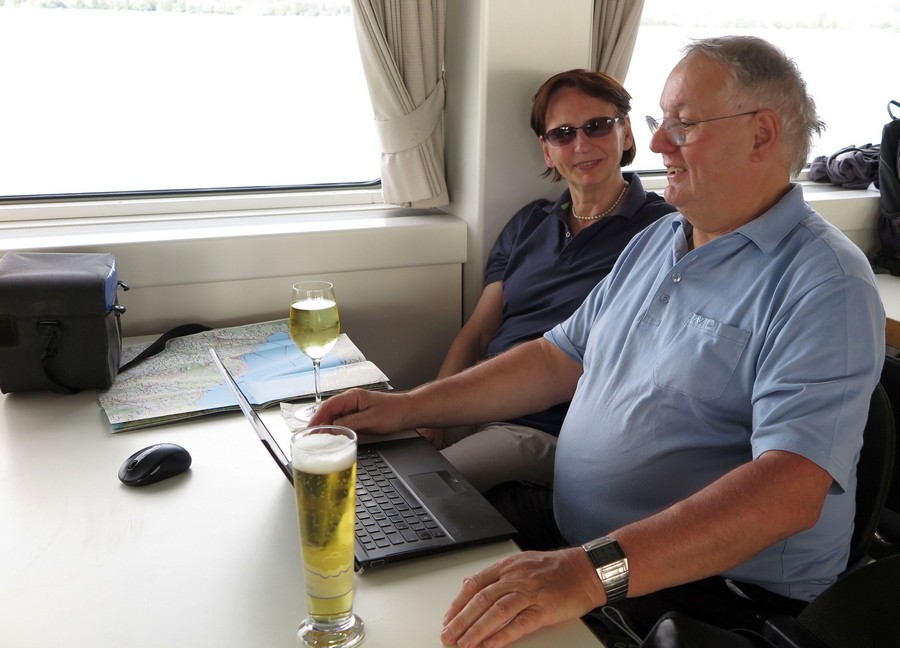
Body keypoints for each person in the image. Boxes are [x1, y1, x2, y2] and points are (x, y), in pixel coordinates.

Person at [310, 35, 886, 647]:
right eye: (661, 123)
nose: (658, 144)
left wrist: (587, 574)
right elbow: (553, 359)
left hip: (712, 592)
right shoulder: (659, 240)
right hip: (584, 548)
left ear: (761, 134)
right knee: (388, 547)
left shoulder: (826, 283)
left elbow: (787, 492)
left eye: (684, 124)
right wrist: (406, 407)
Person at [423, 69, 673, 494]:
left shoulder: (662, 230)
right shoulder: (529, 223)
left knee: (423, 490)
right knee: (376, 458)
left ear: (627, 132)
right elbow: (479, 331)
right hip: (478, 397)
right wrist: (431, 413)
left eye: (597, 126)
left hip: (545, 426)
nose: (581, 144)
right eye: (563, 134)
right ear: (547, 151)